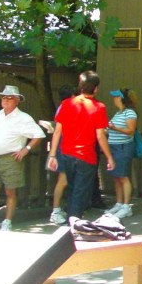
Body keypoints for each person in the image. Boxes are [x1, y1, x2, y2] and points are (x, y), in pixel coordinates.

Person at [47, 70, 115, 220]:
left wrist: (52, 155)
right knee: (81, 193)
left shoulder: (66, 104)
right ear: (96, 88)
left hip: (66, 154)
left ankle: (71, 222)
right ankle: (73, 225)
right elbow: (100, 135)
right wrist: (109, 157)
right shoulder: (99, 107)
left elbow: (57, 132)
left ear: (80, 86)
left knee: (73, 190)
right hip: (86, 157)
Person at [0, 85, 46, 231]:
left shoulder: (23, 118)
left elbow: (39, 135)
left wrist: (26, 149)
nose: (5, 100)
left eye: (9, 97)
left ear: (17, 100)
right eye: (3, 97)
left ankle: (7, 221)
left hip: (11, 159)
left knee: (10, 192)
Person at [105, 87, 138, 218]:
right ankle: (118, 203)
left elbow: (131, 131)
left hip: (124, 147)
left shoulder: (130, 113)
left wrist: (114, 128)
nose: (114, 99)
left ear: (122, 99)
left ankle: (126, 205)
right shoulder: (118, 113)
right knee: (116, 176)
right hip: (113, 147)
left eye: (116, 96)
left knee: (123, 176)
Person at [48, 83, 77, 225]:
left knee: (66, 179)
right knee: (63, 180)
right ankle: (55, 210)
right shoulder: (66, 108)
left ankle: (60, 209)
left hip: (65, 146)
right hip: (64, 146)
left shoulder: (63, 107)